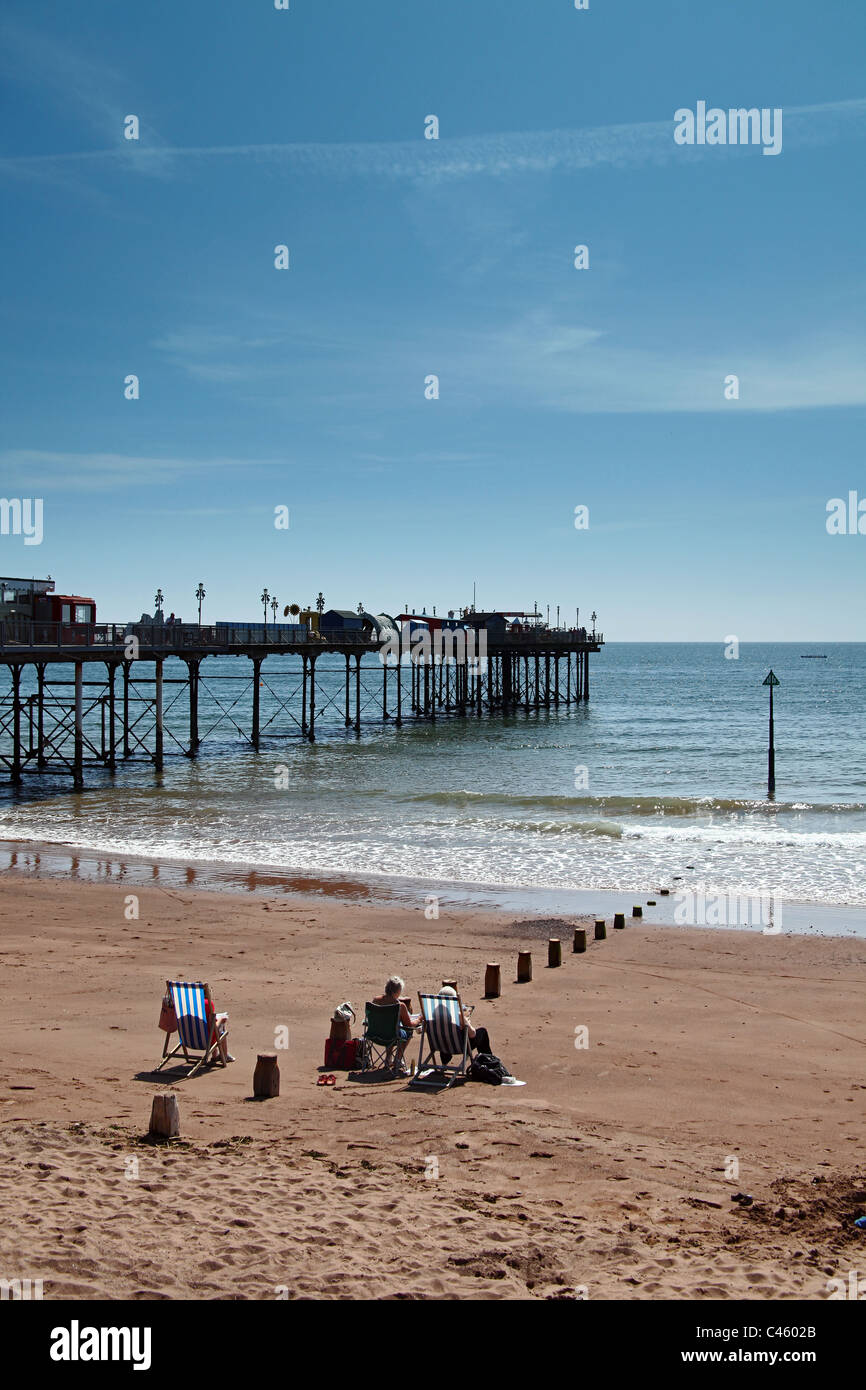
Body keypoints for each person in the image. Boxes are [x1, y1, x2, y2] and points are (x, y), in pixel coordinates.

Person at [372, 975, 420, 1076]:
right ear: (397, 992)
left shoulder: (376, 1001)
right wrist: (419, 1019)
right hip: (392, 1036)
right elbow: (409, 1025)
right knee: (407, 1031)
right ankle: (397, 1059)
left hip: (375, 1034)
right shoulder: (400, 1006)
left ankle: (388, 1058)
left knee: (388, 1027)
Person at [437, 986, 492, 1064]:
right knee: (482, 1032)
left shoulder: (432, 1015)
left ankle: (444, 1062)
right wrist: (467, 1022)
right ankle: (488, 1063)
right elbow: (472, 1034)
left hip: (441, 1045)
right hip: (459, 1046)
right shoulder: (458, 1015)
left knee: (444, 1034)